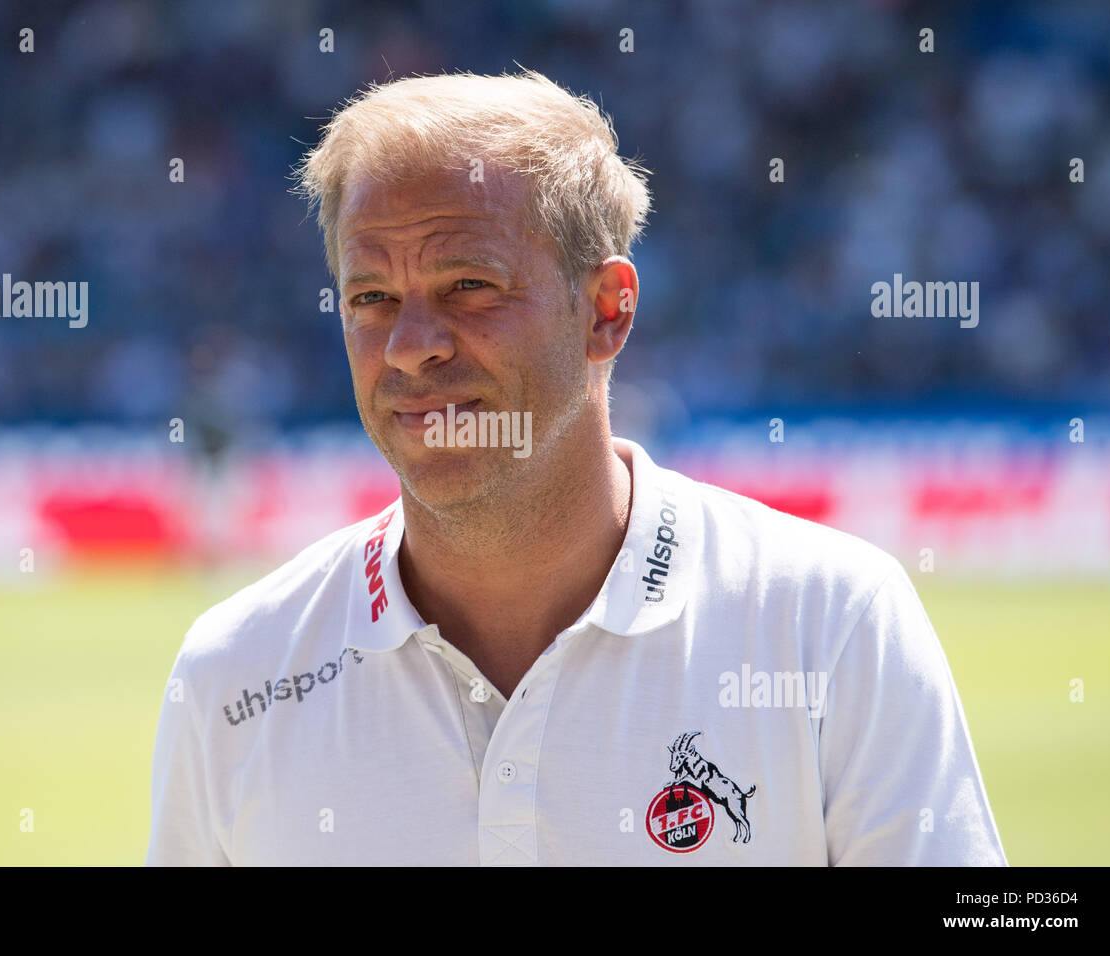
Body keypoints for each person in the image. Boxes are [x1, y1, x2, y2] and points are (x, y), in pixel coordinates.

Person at [145, 69, 1006, 865]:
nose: (410, 350)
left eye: (469, 286)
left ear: (607, 310)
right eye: (372, 298)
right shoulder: (235, 673)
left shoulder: (832, 623)